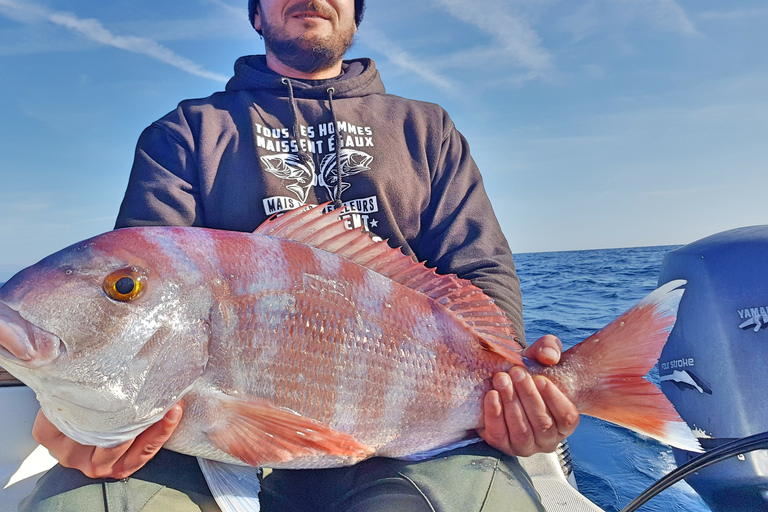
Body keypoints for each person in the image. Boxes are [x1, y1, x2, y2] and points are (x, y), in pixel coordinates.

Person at [21, 1, 579, 511]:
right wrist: (89, 416)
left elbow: (478, 270)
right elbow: (141, 278)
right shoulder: (185, 132)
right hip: (205, 437)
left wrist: (513, 394)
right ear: (256, 14)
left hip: (409, 425)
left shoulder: (426, 129)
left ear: (356, 13)